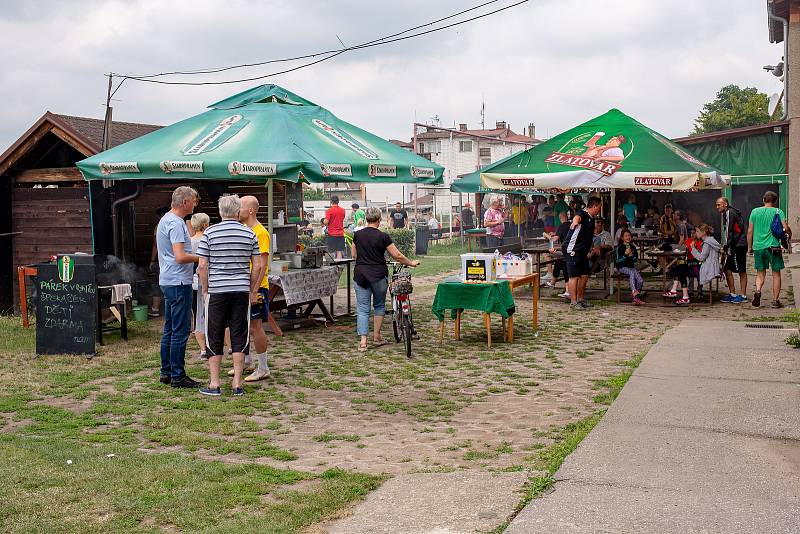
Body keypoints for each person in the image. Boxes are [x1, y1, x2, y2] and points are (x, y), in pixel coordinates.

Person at [197, 195, 262, 397]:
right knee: (239, 334)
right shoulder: (249, 233)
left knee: (214, 334)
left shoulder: (209, 233)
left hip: (217, 291)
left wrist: (206, 287)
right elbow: (258, 264)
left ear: (220, 212)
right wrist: (251, 288)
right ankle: (237, 383)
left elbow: (202, 265)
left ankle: (215, 383)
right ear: (237, 212)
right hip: (240, 291)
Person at [351, 207, 419, 352]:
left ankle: (363, 342)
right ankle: (377, 338)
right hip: (378, 276)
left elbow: (354, 255)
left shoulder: (357, 235)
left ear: (367, 218)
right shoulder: (383, 236)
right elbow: (397, 255)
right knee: (379, 306)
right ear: (379, 219)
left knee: (363, 309)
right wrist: (411, 263)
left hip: (361, 275)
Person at [156, 186, 200, 388]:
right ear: (184, 203)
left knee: (169, 329)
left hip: (168, 280)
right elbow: (180, 256)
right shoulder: (175, 223)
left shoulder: (166, 219)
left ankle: (166, 372)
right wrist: (203, 257)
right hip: (179, 281)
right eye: (193, 200)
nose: (195, 204)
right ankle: (177, 375)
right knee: (180, 331)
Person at [238, 195, 271, 382]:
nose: (238, 210)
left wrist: (255, 290)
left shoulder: (260, 233)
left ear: (250, 210)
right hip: (246, 285)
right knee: (247, 325)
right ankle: (248, 362)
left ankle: (263, 367)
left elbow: (262, 265)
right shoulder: (245, 230)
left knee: (256, 326)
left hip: (257, 287)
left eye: (241, 207)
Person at [748, 191, 788, 308]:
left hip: (758, 247)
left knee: (760, 273)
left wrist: (749, 247)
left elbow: (750, 231)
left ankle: (758, 290)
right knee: (776, 274)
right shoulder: (778, 211)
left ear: (763, 199)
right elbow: (785, 227)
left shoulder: (754, 211)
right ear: (775, 201)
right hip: (773, 247)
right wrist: (788, 232)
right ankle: (775, 301)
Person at [562, 196, 602, 310]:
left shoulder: (592, 218)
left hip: (583, 251)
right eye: (599, 207)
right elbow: (577, 218)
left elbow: (589, 236)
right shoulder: (582, 213)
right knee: (573, 276)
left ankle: (580, 299)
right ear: (594, 206)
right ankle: (573, 302)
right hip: (572, 249)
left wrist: (594, 247)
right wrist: (574, 222)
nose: (599, 209)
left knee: (584, 275)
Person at [715, 197, 748, 303]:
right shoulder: (727, 213)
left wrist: (726, 246)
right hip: (733, 245)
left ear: (725, 204)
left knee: (741, 270)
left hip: (739, 245)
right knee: (727, 269)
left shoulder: (730, 212)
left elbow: (729, 231)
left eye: (718, 205)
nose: (717, 207)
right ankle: (732, 294)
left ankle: (743, 296)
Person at [190, 212, 210, 359]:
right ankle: (213, 345)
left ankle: (203, 349)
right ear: (205, 225)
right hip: (209, 279)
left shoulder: (189, 242)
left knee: (199, 313)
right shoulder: (208, 239)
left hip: (194, 280)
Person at [615, 229, 645, 305]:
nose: (628, 237)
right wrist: (625, 255)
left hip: (631, 267)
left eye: (629, 236)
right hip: (622, 267)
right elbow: (618, 261)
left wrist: (631, 256)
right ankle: (634, 291)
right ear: (622, 238)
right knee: (631, 273)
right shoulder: (620, 248)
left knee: (640, 280)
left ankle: (636, 298)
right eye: (626, 236)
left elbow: (635, 259)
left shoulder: (633, 247)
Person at [689, 224, 722, 291]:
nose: (696, 233)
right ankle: (696, 291)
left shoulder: (707, 243)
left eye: (697, 231)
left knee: (687, 270)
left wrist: (693, 248)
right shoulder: (710, 240)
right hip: (713, 266)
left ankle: (688, 292)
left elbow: (701, 258)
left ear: (703, 232)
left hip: (710, 268)